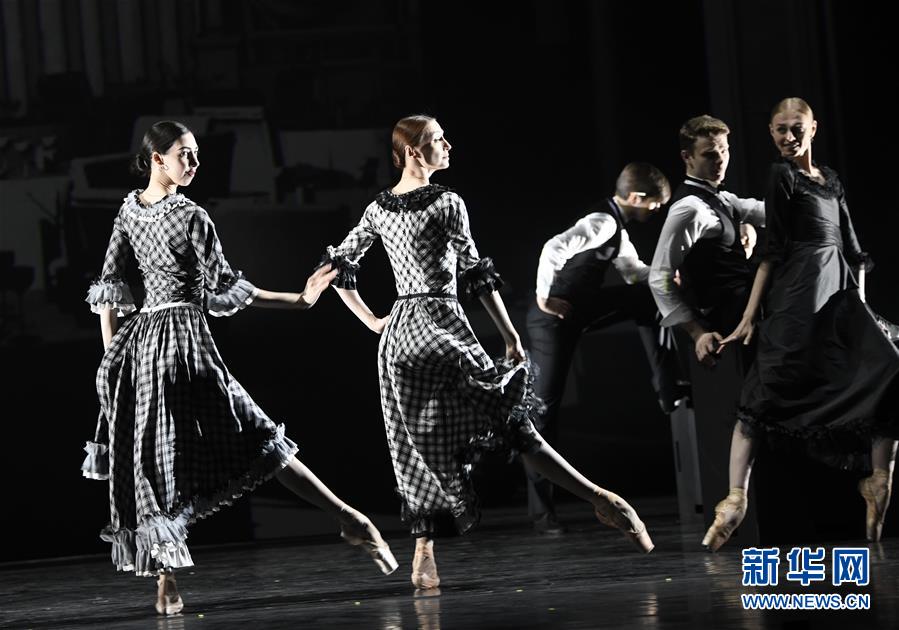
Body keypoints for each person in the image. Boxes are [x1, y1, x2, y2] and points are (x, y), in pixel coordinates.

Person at [322, 114, 654, 590]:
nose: (448, 145)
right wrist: (511, 336)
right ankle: (603, 499)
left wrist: (375, 321)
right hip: (441, 326)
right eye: (438, 139)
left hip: (398, 341)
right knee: (512, 424)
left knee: (415, 448)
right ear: (414, 152)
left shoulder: (378, 209)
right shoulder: (447, 202)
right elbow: (476, 273)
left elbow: (338, 266)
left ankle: (423, 554)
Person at [82, 121, 397, 616]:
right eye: (184, 154)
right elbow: (127, 288)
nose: (194, 163)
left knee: (190, 450)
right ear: (157, 159)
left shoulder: (168, 214)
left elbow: (208, 288)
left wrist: (112, 357)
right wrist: (298, 300)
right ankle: (347, 519)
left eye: (196, 153)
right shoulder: (171, 215)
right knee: (205, 448)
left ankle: (346, 518)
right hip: (164, 344)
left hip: (165, 345)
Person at [701, 98, 899, 551]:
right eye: (779, 130)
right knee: (766, 389)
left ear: (814, 128)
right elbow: (773, 251)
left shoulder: (830, 180)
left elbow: (853, 249)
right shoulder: (782, 175)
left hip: (839, 292)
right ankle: (734, 499)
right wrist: (749, 315)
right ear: (771, 133)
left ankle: (879, 480)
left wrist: (860, 304)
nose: (788, 137)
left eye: (796, 128)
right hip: (798, 292)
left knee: (888, 370)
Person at [524, 162, 686, 535]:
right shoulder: (603, 222)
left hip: (580, 312)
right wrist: (544, 297)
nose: (656, 211)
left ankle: (668, 388)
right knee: (542, 414)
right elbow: (553, 248)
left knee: (646, 299)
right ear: (637, 198)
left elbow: (632, 272)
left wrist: (663, 274)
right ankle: (542, 514)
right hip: (553, 320)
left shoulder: (617, 228)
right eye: (655, 205)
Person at [649, 115, 766, 368]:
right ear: (687, 157)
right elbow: (659, 277)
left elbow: (764, 212)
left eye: (724, 150)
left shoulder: (720, 197)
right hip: (730, 318)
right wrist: (697, 332)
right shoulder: (689, 209)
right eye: (710, 154)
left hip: (748, 308)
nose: (720, 159)